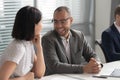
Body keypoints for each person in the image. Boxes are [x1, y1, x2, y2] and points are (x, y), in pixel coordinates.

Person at [42, 6, 102, 75]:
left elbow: (92, 55)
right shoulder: (48, 39)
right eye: (55, 22)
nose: (59, 26)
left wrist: (97, 64)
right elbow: (54, 66)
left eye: (62, 21)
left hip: (75, 77)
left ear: (71, 20)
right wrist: (83, 68)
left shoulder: (79, 36)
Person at [0, 6, 45, 80]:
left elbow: (39, 73)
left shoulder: (28, 43)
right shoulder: (18, 48)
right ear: (32, 25)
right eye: (41, 22)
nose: (42, 25)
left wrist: (39, 48)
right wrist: (25, 78)